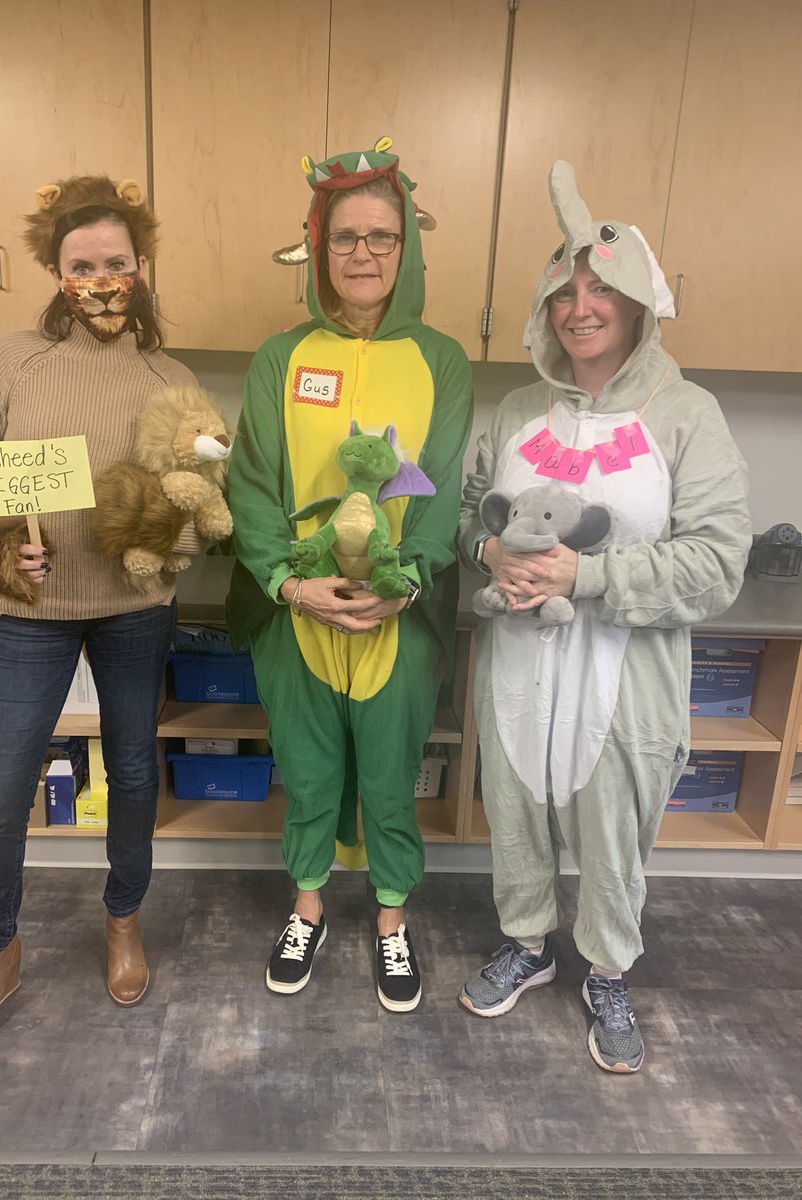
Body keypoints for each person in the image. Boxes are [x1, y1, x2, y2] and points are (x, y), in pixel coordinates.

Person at [458, 162, 751, 1071]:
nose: (580, 307)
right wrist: (489, 554)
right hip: (515, 660)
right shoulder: (514, 409)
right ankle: (529, 942)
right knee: (516, 808)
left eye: (600, 290)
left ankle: (608, 967)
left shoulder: (686, 416)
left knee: (614, 823)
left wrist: (586, 577)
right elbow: (471, 513)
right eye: (564, 292)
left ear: (636, 302)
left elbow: (717, 563)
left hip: (624, 675)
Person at [0, 175, 204, 1052]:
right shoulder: (12, 360)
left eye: (116, 263)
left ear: (140, 267)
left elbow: (196, 493)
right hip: (32, 609)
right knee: (0, 790)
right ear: (56, 272)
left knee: (133, 774)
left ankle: (123, 921)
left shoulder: (170, 378)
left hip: (135, 607)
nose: (100, 278)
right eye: (81, 264)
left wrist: (175, 530)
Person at [227, 140, 473, 1012]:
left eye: (381, 237)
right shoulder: (280, 358)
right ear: (317, 248)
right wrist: (290, 584)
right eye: (344, 238)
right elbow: (251, 483)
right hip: (297, 611)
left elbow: (442, 489)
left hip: (397, 613)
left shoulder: (442, 361)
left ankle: (392, 923)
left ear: (407, 248)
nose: (363, 255)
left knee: (390, 770)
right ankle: (307, 909)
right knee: (307, 766)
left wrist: (406, 582)